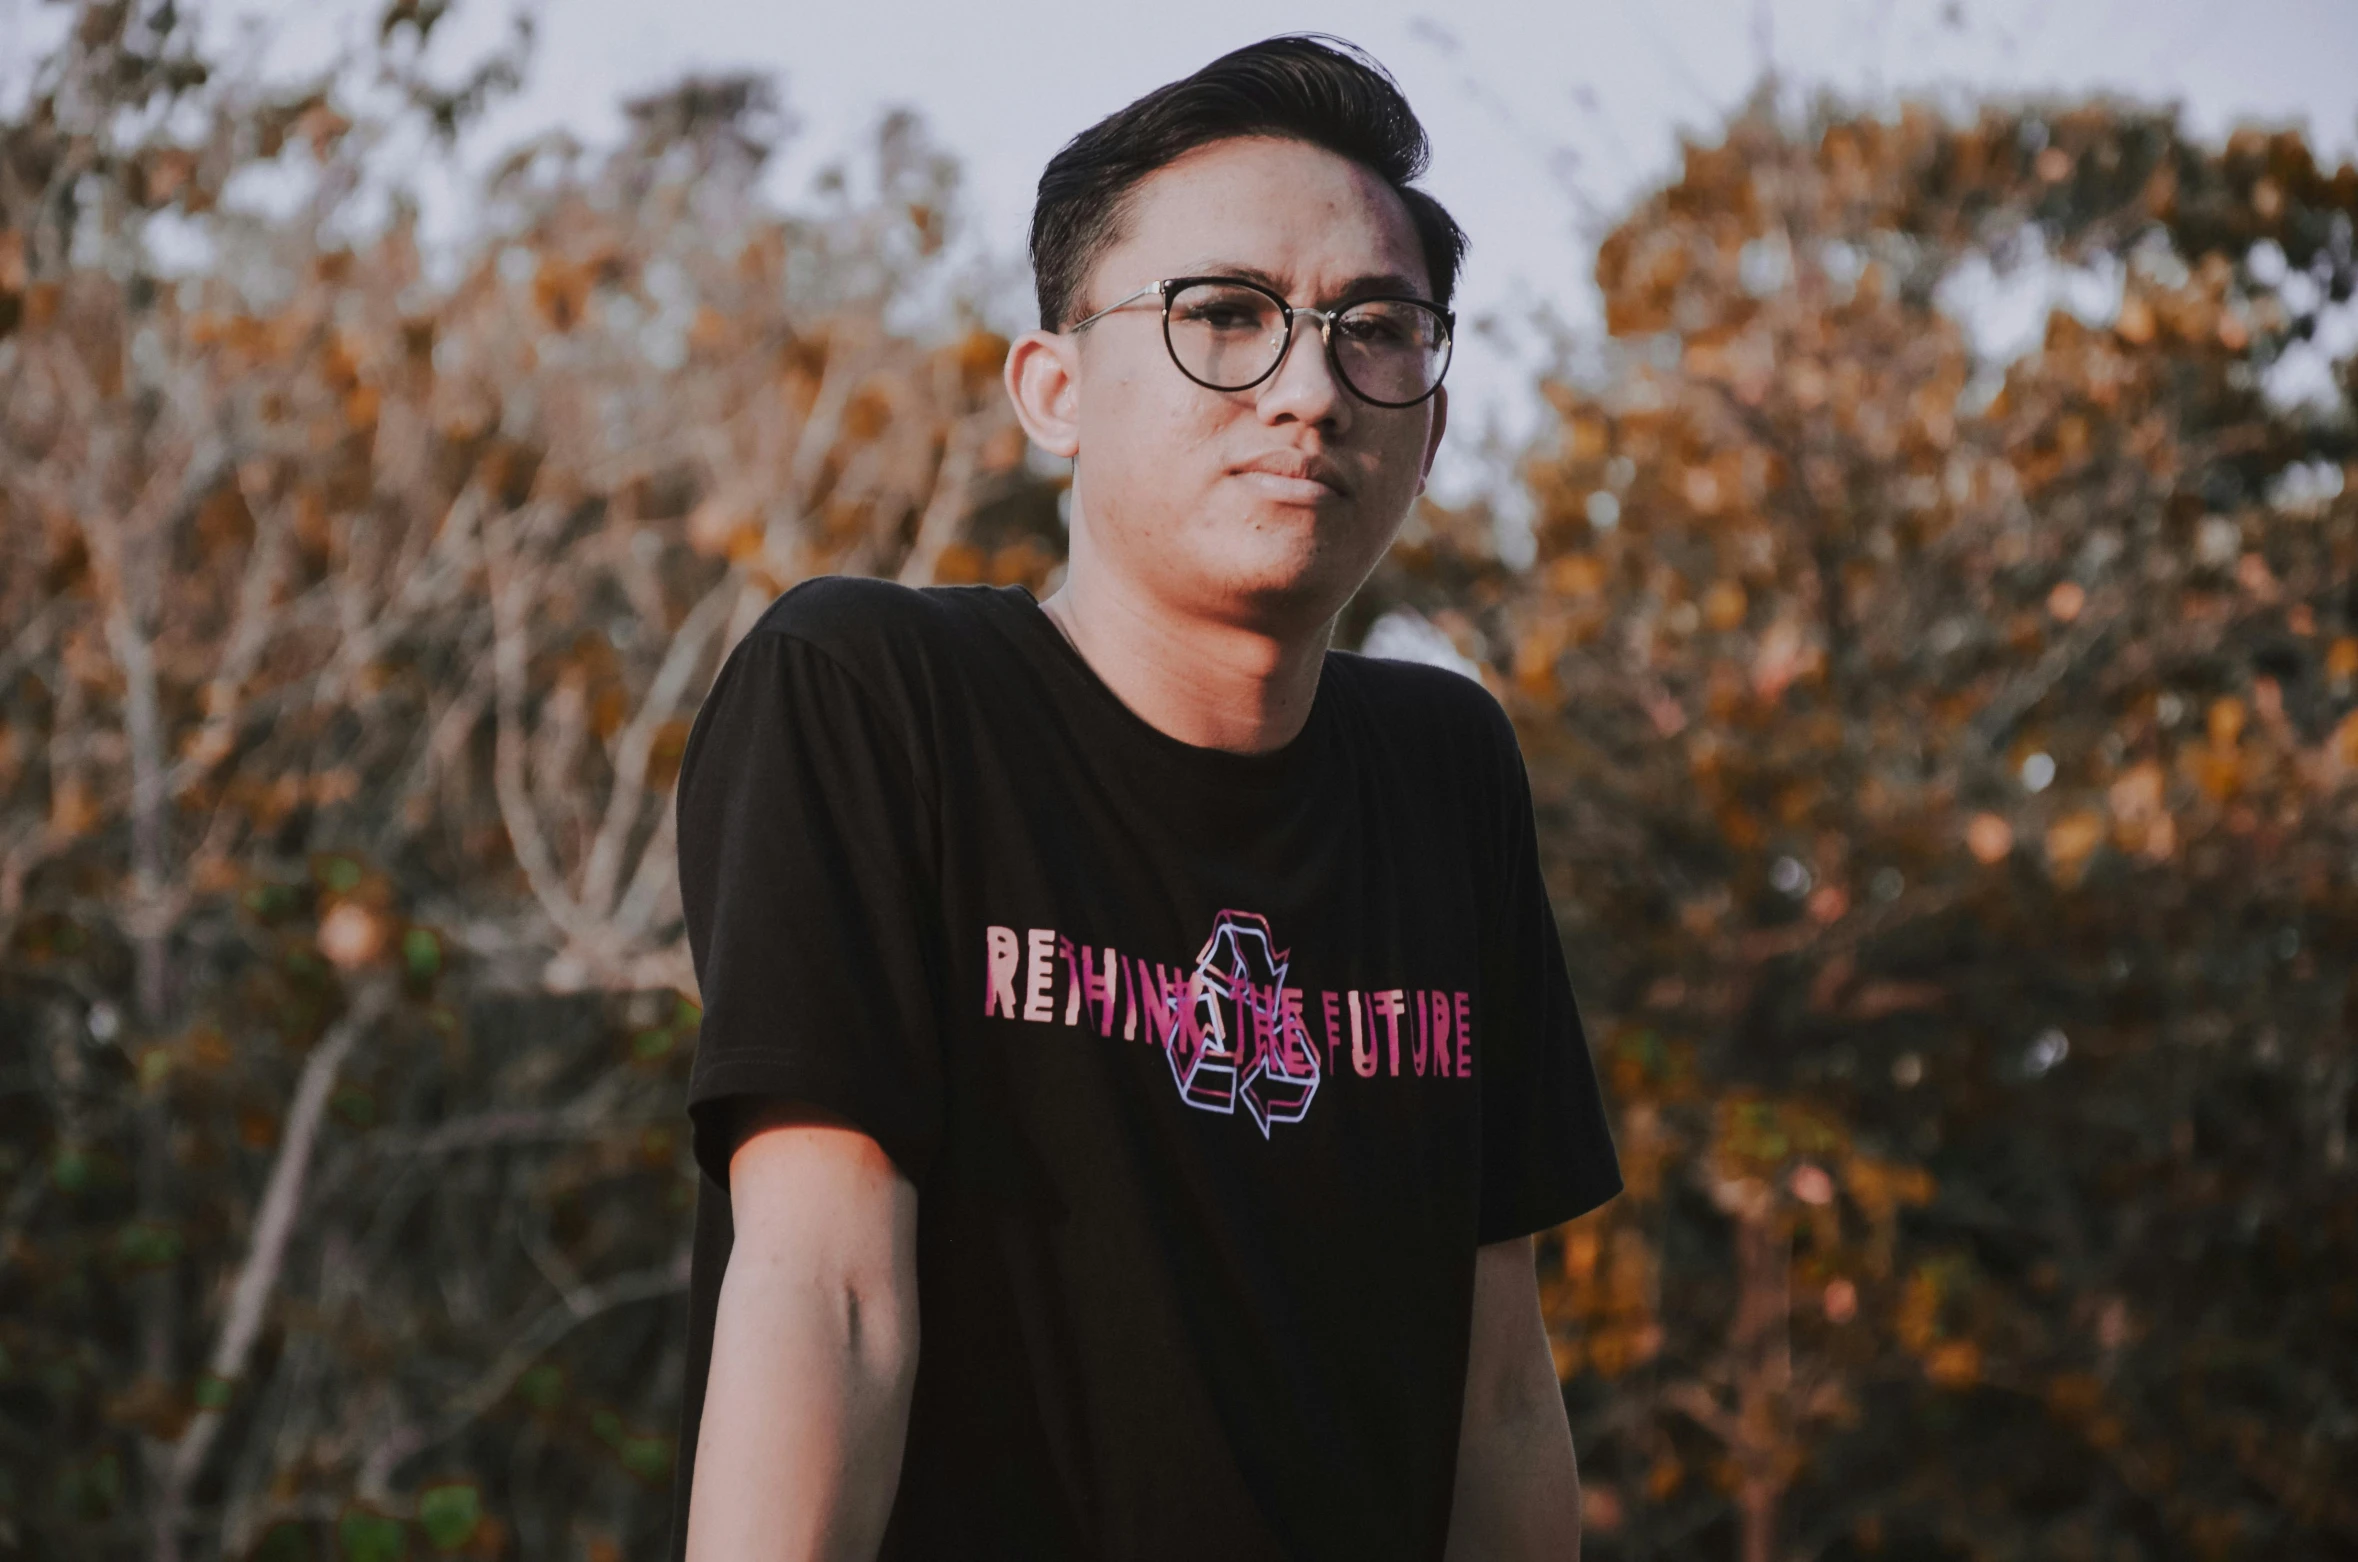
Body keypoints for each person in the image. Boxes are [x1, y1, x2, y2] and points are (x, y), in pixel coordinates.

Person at [669, 34, 1620, 1562]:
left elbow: (1496, 1386)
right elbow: (831, 1299)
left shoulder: (1447, 770)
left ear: (1428, 428)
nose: (1307, 388)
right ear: (1053, 388)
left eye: (1373, 330)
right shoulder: (874, 696)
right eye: (1223, 317)